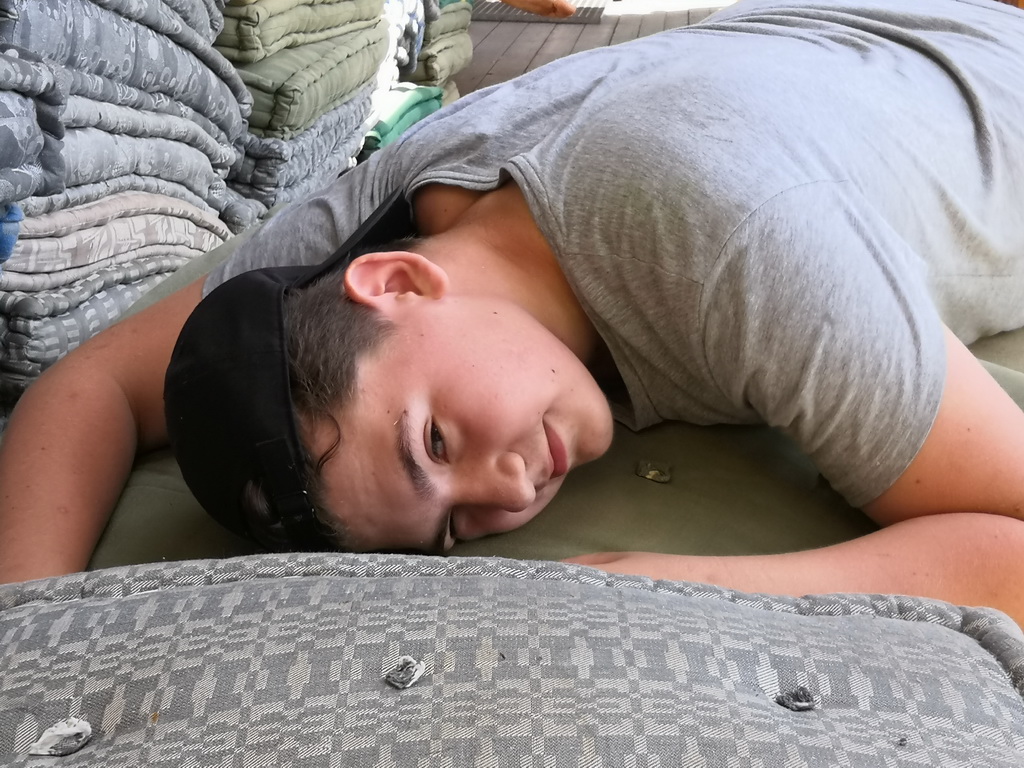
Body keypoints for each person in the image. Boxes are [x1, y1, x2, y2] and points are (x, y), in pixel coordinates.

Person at [3, 0, 1024, 625]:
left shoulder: (744, 251)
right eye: (452, 529)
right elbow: (94, 383)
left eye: (435, 442)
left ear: (396, 287)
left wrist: (665, 586)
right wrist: (30, 634)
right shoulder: (372, 236)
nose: (505, 495)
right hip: (820, 37)